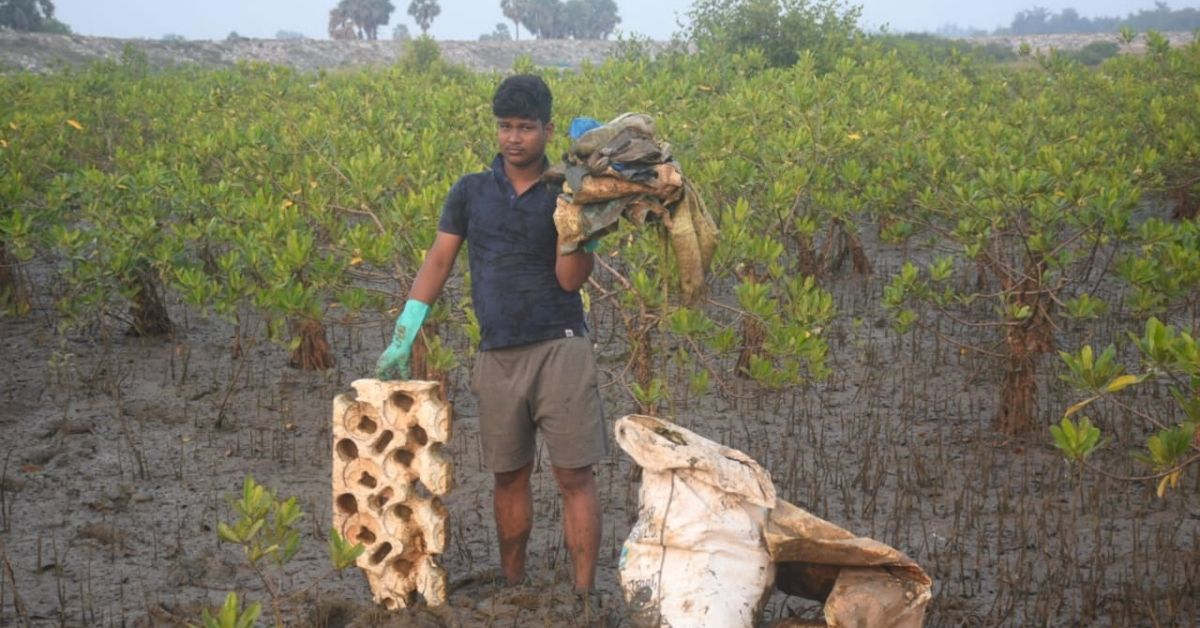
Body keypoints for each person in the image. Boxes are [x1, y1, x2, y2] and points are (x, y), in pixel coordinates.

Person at [375, 74, 608, 613]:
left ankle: (585, 597)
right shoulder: (470, 192)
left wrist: (584, 224)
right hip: (498, 353)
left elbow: (571, 280)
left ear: (548, 130)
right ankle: (512, 586)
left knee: (575, 474)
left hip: (561, 348)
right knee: (508, 474)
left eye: (526, 127)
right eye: (506, 126)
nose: (514, 138)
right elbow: (439, 261)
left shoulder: (563, 192)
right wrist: (404, 332)